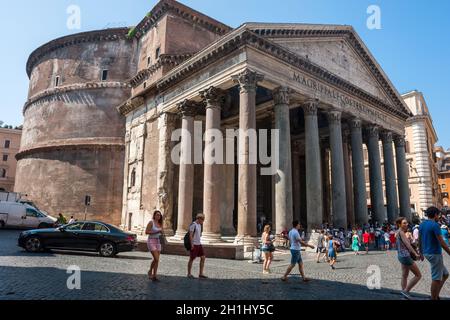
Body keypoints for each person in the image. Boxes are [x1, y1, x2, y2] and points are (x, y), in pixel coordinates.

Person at [419, 206, 450, 300]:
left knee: (445, 274)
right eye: (438, 215)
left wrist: (421, 252)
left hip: (427, 252)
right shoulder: (435, 225)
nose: (439, 217)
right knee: (436, 278)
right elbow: (442, 243)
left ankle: (436, 295)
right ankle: (433, 298)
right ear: (435, 214)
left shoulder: (422, 224)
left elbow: (419, 240)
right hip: (435, 253)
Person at [395, 217, 422, 300]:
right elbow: (407, 245)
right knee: (418, 275)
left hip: (401, 256)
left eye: (406, 223)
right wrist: (415, 254)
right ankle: (406, 291)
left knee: (404, 275)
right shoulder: (401, 232)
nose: (406, 224)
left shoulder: (398, 232)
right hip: (406, 256)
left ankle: (404, 293)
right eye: (404, 223)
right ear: (399, 224)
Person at [187, 213, 208, 279]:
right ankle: (189, 273)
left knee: (203, 257)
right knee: (191, 259)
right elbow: (190, 235)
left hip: (199, 244)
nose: (203, 222)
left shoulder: (199, 225)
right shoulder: (193, 225)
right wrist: (192, 244)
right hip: (194, 244)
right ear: (199, 219)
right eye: (202, 220)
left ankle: (200, 273)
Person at [145, 210, 164, 281]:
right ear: (154, 215)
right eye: (157, 215)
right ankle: (150, 271)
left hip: (158, 241)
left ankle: (154, 275)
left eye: (159, 215)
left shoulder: (160, 223)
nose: (158, 216)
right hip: (151, 241)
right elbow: (146, 232)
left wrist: (162, 233)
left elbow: (162, 232)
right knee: (156, 259)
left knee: (157, 260)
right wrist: (157, 231)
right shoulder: (151, 222)